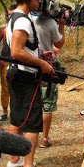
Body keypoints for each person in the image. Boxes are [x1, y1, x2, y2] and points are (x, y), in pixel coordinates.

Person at [5, 0, 54, 167]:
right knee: (33, 122)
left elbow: (22, 48)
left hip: (16, 75)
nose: (39, 1)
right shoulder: (23, 21)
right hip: (25, 77)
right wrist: (41, 63)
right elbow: (16, 51)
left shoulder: (14, 18)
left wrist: (39, 53)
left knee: (16, 119)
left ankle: (13, 159)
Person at [31, 10, 66, 148]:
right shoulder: (50, 23)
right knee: (47, 105)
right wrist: (61, 24)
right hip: (47, 67)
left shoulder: (27, 19)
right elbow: (59, 44)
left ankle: (30, 137)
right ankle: (44, 138)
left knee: (33, 102)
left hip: (29, 66)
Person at [0, 4, 17, 120]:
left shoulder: (22, 26)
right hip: (5, 61)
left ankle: (16, 110)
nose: (10, 16)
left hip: (19, 61)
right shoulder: (3, 29)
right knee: (5, 87)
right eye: (8, 14)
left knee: (17, 86)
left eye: (12, 14)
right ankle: (5, 111)